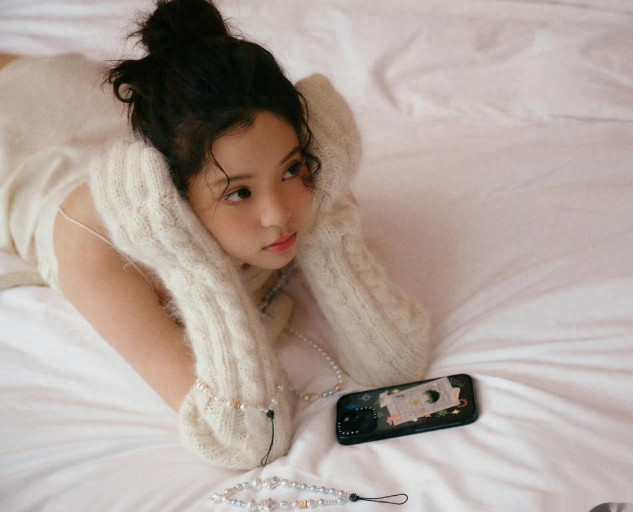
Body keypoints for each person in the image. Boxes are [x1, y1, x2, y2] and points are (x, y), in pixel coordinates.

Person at [0, 0, 431, 470]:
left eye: (291, 168)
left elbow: (394, 363)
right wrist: (194, 266)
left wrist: (325, 206)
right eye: (239, 193)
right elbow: (248, 441)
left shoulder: (286, 166)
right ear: (175, 192)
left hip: (82, 98)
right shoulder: (93, 247)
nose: (279, 216)